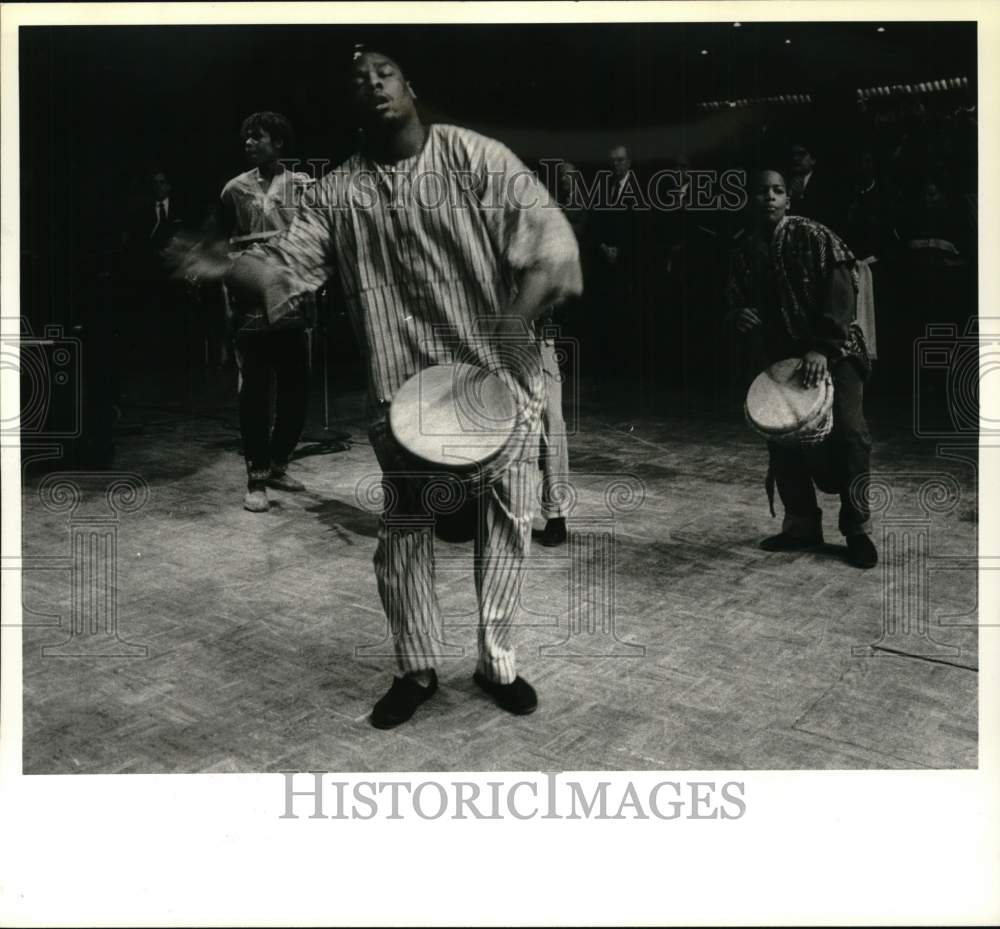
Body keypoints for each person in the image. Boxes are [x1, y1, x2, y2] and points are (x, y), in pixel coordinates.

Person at [178, 46, 581, 727]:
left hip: (496, 384)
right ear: (350, 105)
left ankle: (498, 660)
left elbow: (551, 243)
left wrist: (518, 313)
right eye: (358, 81)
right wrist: (225, 268)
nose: (372, 85)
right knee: (402, 534)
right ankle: (415, 666)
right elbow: (285, 272)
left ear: (410, 85)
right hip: (405, 397)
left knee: (507, 527)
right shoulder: (335, 194)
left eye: (384, 73)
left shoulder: (472, 158)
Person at [727, 169, 878, 570]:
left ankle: (857, 528)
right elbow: (735, 299)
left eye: (777, 191)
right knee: (781, 434)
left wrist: (822, 349)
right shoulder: (744, 249)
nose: (769, 198)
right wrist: (738, 314)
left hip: (836, 350)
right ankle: (801, 525)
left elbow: (843, 286)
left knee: (850, 433)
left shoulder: (813, 236)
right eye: (761, 191)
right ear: (749, 199)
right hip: (781, 358)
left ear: (789, 200)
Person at [215, 111, 316, 512]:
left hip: (291, 296)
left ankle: (278, 463)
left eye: (257, 138)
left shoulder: (303, 185)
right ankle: (256, 477)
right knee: (255, 390)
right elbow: (223, 248)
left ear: (278, 142)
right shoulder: (233, 190)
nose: (249, 144)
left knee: (296, 390)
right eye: (246, 139)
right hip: (251, 297)